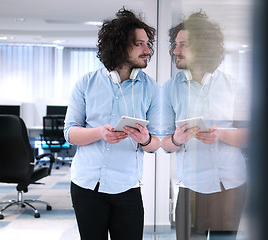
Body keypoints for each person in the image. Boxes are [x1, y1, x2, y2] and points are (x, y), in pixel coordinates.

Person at [64, 8, 160, 240]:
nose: (148, 50)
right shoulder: (86, 83)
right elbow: (69, 133)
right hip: (86, 186)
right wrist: (99, 133)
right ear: (119, 45)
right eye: (140, 44)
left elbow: (156, 143)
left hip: (127, 187)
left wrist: (145, 139)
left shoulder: (152, 89)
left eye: (148, 44)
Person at [161, 11, 250, 240]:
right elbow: (163, 143)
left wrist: (220, 134)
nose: (176, 50)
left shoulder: (233, 85)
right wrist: (177, 139)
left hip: (230, 184)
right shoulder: (170, 89)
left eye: (183, 44)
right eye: (175, 44)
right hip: (191, 186)